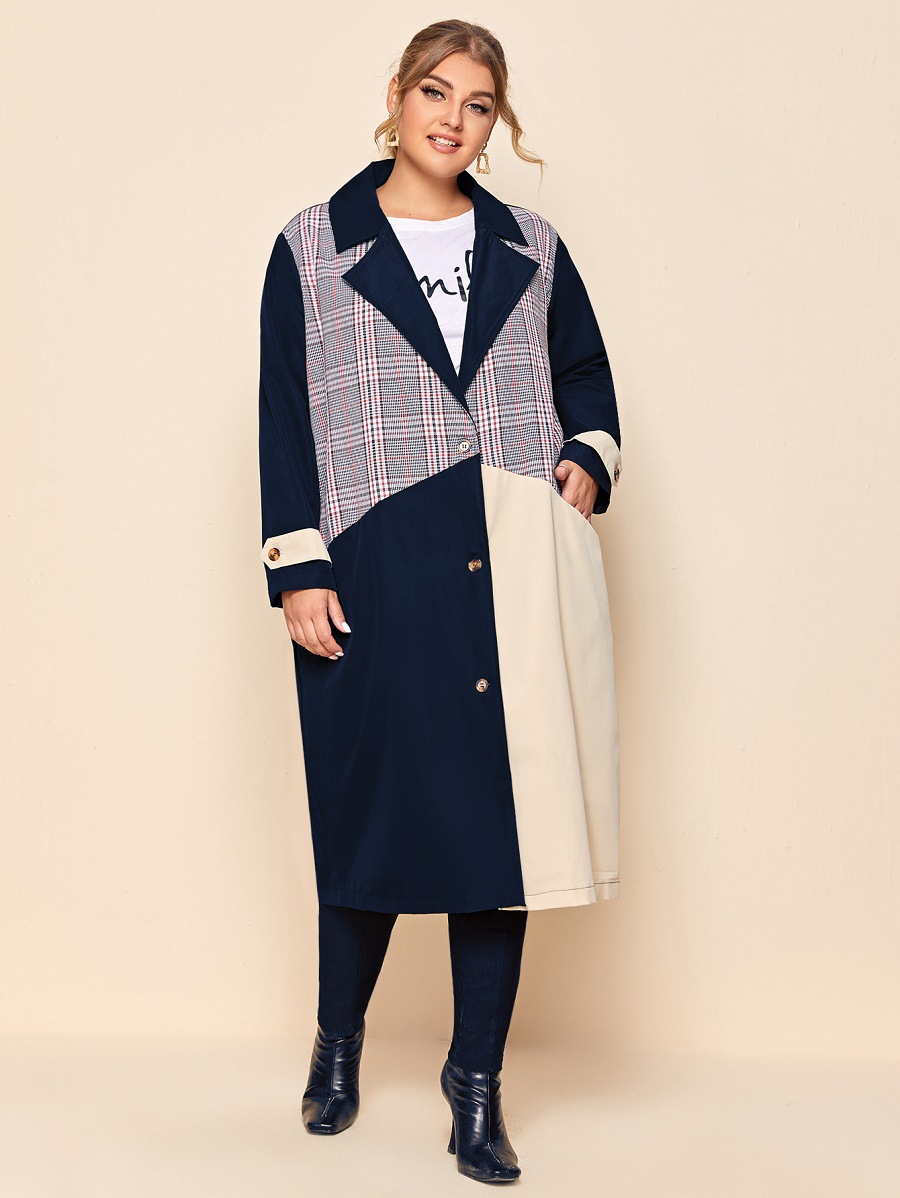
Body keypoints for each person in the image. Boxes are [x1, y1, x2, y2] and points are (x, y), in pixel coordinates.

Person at [257, 19, 623, 1185]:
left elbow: (585, 372)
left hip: (514, 552)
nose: (453, 119)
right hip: (378, 556)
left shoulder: (532, 244)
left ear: (494, 121)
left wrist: (590, 457)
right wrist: (299, 565)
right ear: (397, 95)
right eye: (435, 91)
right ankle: (340, 1039)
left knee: (500, 836)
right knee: (369, 814)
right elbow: (284, 410)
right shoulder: (315, 244)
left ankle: (476, 1086)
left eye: (477, 103)